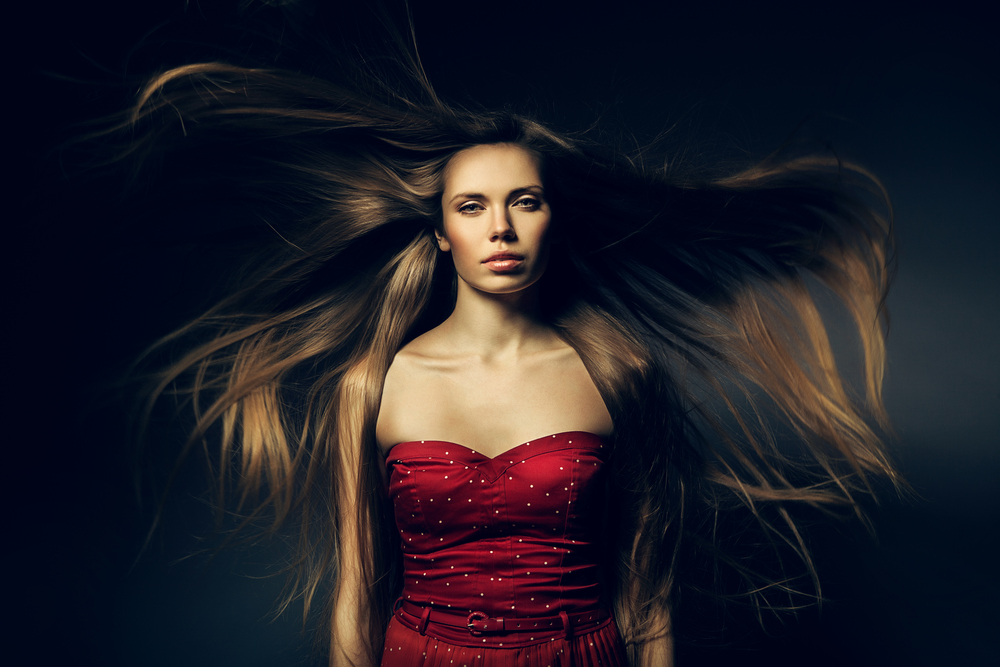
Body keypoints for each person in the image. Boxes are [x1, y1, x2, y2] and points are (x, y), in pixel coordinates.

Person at [98, 33, 901, 664]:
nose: (501, 228)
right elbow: (356, 592)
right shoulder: (372, 381)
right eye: (473, 206)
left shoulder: (622, 372)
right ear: (443, 233)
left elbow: (647, 594)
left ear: (556, 217)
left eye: (525, 201)